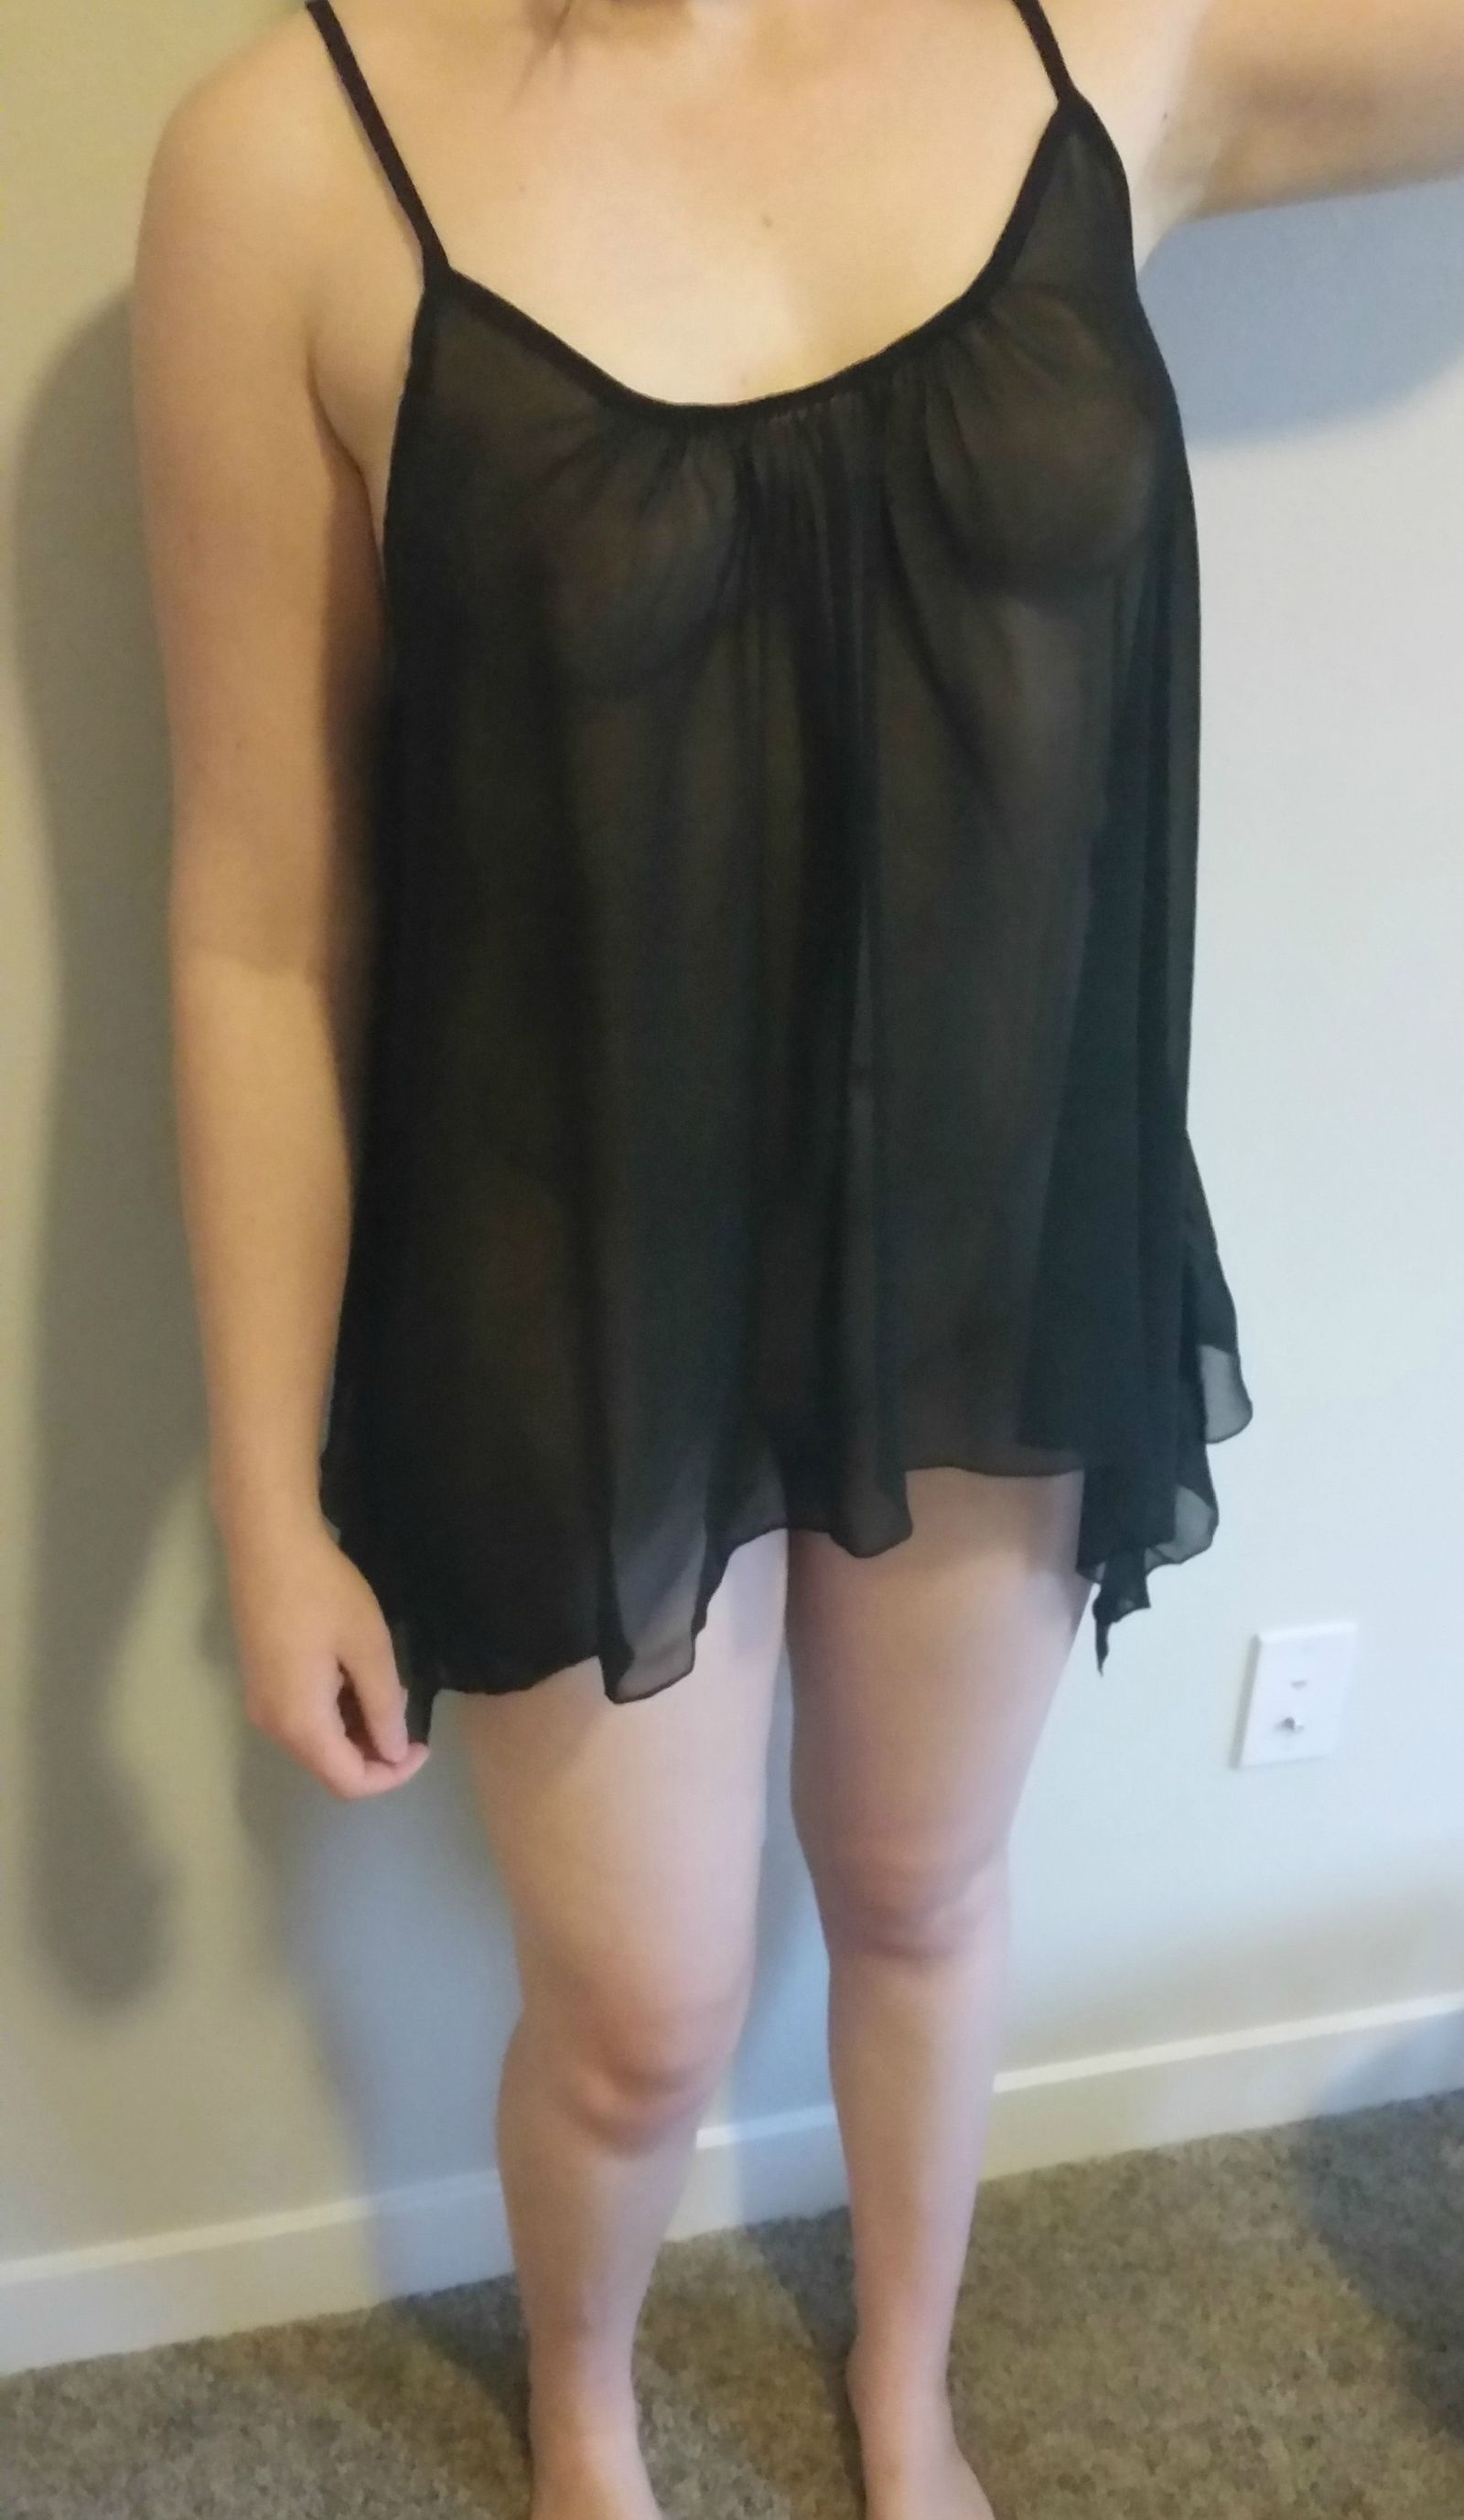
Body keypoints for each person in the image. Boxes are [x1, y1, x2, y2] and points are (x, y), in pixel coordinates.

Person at [130, 5, 1461, 2515]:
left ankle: (904, 2385)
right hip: (565, 1279)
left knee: (924, 1889)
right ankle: (587, 2407)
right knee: (639, 2014)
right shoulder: (284, 167)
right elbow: (257, 928)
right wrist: (271, 1490)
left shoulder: (1115, 43)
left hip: (990, 1234)